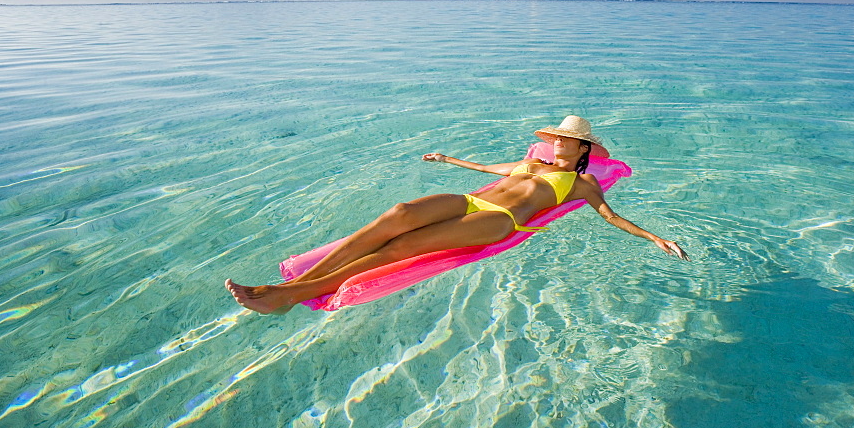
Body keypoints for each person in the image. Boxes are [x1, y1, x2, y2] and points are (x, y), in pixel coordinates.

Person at [226, 116, 688, 314]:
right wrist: (448, 161)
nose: (557, 142)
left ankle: (287, 295)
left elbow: (609, 216)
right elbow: (488, 170)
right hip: (474, 201)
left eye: (565, 140)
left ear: (584, 147)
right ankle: (292, 286)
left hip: (501, 222)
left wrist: (653, 238)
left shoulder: (580, 183)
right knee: (399, 213)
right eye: (555, 137)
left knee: (401, 248)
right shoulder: (534, 162)